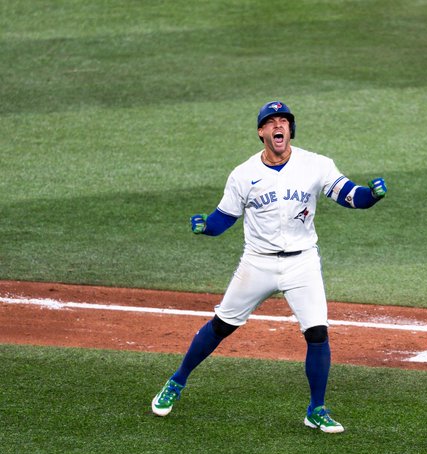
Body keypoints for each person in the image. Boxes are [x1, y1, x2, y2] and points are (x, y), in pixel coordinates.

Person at [151, 100, 387, 433]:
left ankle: (316, 409)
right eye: (272, 121)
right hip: (258, 263)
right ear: (262, 132)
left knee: (317, 333)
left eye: (284, 121)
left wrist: (371, 195)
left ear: (290, 130)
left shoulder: (316, 164)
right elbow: (224, 218)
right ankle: (176, 382)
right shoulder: (243, 174)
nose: (279, 126)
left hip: (302, 262)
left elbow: (350, 195)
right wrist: (206, 226)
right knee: (222, 326)